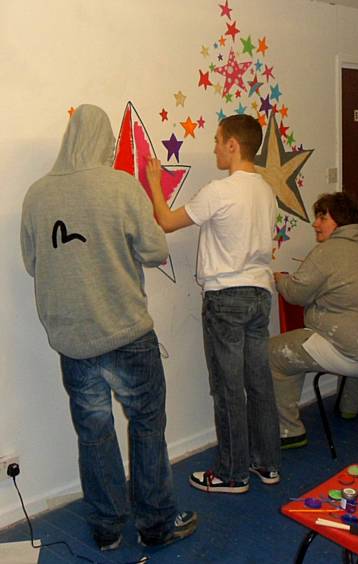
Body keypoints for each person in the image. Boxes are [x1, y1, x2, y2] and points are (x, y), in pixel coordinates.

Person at [20, 104, 198, 551]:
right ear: (102, 141)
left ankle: (107, 529)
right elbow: (156, 251)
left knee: (93, 434)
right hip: (126, 334)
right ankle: (156, 524)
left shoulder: (37, 195)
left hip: (73, 342)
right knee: (146, 426)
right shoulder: (120, 187)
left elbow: (31, 262)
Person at [145, 114, 281, 494]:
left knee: (227, 387)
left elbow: (168, 222)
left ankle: (232, 473)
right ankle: (266, 463)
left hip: (226, 297)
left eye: (219, 140)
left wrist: (155, 184)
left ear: (234, 145)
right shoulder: (266, 190)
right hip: (259, 294)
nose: (216, 147)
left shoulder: (221, 190)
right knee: (259, 383)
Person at [271, 192, 358, 449]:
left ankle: (289, 431)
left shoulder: (328, 250)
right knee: (351, 329)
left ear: (339, 219)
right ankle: (349, 407)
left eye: (322, 217)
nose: (315, 224)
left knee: (273, 354)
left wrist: (280, 280)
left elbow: (295, 294)